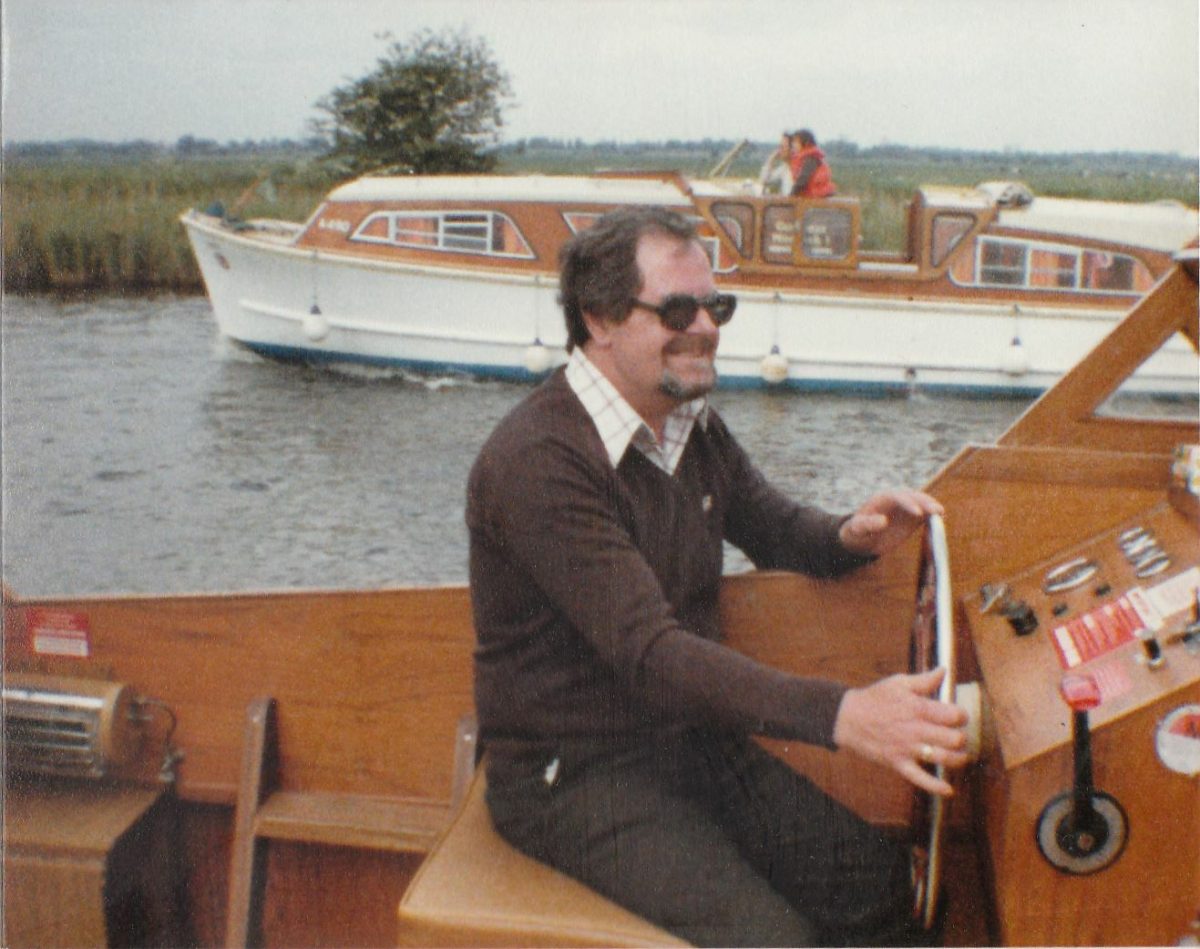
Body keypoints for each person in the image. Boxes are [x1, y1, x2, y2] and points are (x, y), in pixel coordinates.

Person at [466, 206, 966, 947]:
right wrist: (844, 715)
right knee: (773, 940)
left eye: (715, 305)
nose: (704, 325)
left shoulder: (686, 422)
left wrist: (851, 535)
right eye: (676, 308)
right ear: (600, 318)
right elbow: (652, 654)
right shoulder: (540, 462)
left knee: (880, 882)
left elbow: (771, 525)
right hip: (573, 773)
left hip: (687, 737)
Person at [790, 128, 837, 198]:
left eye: (796, 142)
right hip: (812, 194)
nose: (793, 145)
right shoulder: (803, 157)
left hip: (816, 194)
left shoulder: (811, 158)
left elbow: (803, 180)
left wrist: (791, 196)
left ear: (806, 143)